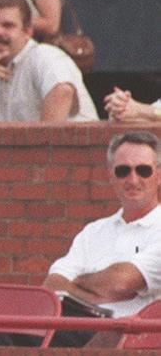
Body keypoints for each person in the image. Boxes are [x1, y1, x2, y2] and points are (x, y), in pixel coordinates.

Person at [43, 131, 161, 335]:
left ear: (159, 175)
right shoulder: (93, 231)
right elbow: (51, 286)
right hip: (77, 334)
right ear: (111, 176)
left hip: (133, 343)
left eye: (143, 170)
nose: (133, 180)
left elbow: (121, 282)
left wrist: (76, 284)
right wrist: (99, 291)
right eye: (123, 171)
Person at [0, 0, 97, 122]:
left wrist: (42, 144)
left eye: (8, 26)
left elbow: (63, 92)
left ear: (27, 31)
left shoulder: (44, 56)